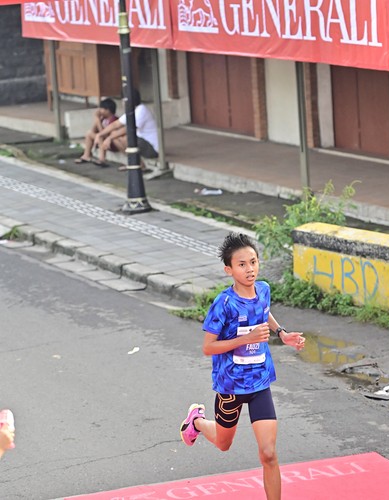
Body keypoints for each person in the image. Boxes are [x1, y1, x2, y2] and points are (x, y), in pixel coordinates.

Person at [179, 232, 305, 500]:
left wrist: (282, 333)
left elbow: (264, 311)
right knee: (223, 444)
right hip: (230, 387)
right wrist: (245, 339)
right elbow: (208, 347)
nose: (250, 269)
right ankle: (197, 421)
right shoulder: (224, 303)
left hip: (260, 382)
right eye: (242, 264)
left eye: (253, 262)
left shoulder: (264, 289)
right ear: (229, 270)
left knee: (269, 454)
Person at [93, 89, 158, 170]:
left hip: (152, 147)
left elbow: (129, 129)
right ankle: (136, 163)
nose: (122, 102)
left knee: (124, 139)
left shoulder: (141, 110)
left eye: (123, 100)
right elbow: (115, 124)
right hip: (142, 142)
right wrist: (100, 135)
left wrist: (109, 138)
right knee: (116, 138)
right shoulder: (132, 110)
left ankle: (137, 164)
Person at [74, 98, 117, 166]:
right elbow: (93, 130)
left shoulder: (113, 119)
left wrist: (98, 120)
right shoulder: (103, 119)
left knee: (100, 136)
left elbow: (104, 133)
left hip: (112, 142)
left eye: (101, 109)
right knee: (89, 133)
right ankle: (86, 155)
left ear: (108, 110)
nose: (99, 111)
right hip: (104, 140)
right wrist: (97, 120)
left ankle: (102, 159)